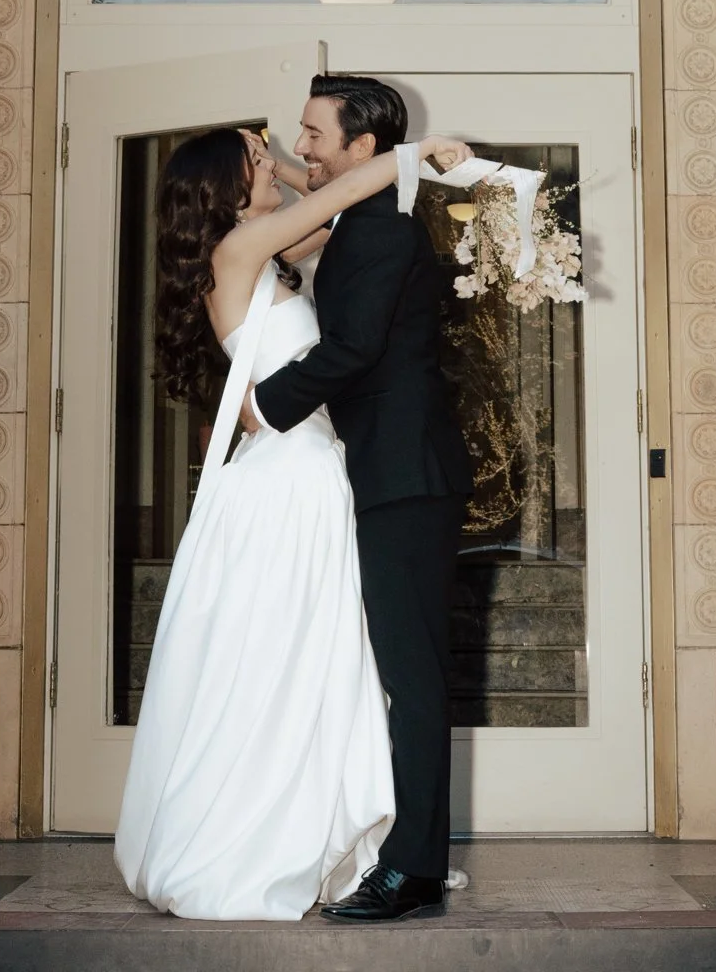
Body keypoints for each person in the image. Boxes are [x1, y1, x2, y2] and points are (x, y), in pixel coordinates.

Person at [114, 118, 472, 921]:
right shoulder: (240, 252)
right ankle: (255, 840)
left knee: (312, 664)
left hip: (312, 478)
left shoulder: (266, 249)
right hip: (289, 485)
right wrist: (415, 155)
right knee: (280, 664)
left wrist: (273, 155)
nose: (279, 165)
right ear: (229, 186)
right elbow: (343, 188)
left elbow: (330, 202)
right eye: (258, 161)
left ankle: (319, 833)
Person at [247, 74, 476, 924]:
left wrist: (259, 414)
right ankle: (402, 853)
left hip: (406, 477)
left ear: (364, 147)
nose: (300, 147)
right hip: (386, 474)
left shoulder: (378, 235)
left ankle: (414, 869)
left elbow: (349, 351)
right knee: (399, 676)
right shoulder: (353, 226)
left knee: (412, 681)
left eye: (313, 133)